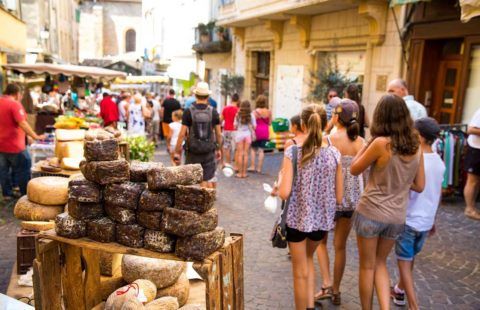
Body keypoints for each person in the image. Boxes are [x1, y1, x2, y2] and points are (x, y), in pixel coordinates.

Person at [350, 94, 425, 310]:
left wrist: (368, 145)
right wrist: (400, 179)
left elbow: (355, 169)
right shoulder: (415, 146)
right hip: (396, 216)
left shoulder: (381, 143)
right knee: (381, 263)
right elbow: (419, 185)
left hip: (371, 212)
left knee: (367, 266)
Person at [276, 104, 343, 310]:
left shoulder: (293, 152)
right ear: (325, 124)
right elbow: (339, 197)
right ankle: (309, 306)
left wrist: (280, 179)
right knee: (308, 259)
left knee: (299, 272)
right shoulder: (334, 154)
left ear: (303, 124)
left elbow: (284, 192)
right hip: (321, 223)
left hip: (297, 220)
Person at [314, 99, 366, 305]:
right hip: (352, 201)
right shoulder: (363, 142)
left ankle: (326, 283)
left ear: (336, 117)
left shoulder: (327, 140)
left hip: (330, 199)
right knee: (341, 247)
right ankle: (336, 290)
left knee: (321, 243)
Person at [391, 117, 445, 309]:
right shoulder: (439, 162)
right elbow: (437, 195)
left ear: (420, 137)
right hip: (425, 222)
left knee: (404, 264)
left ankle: (414, 305)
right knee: (410, 259)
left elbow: (408, 188)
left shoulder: (415, 161)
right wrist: (434, 220)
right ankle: (399, 290)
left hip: (409, 220)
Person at [173, 82, 222, 188]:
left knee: (191, 178)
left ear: (195, 95)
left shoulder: (188, 111)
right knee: (206, 178)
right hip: (208, 151)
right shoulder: (213, 112)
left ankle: (192, 200)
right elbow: (218, 133)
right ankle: (203, 201)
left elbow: (182, 134)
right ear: (208, 96)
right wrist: (219, 149)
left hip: (192, 151)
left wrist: (177, 152)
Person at [0, 84, 44, 200]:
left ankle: (7, 194)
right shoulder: (14, 104)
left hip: (1, 144)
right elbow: (22, 123)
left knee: (3, 170)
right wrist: (35, 136)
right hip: (15, 145)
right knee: (24, 168)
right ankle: (25, 194)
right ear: (17, 93)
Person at [464, 107, 480, 220]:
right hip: (476, 149)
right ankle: (469, 208)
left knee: (477, 180)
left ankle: (472, 206)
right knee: (472, 180)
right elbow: (470, 129)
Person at [249, 95, 271, 174]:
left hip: (256, 131)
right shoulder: (269, 111)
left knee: (253, 149)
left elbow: (252, 123)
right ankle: (259, 168)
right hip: (265, 132)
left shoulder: (254, 112)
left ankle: (252, 166)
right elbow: (269, 122)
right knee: (262, 150)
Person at [234, 100, 256, 178]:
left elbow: (235, 126)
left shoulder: (237, 115)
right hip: (247, 135)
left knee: (240, 154)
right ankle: (244, 173)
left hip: (240, 134)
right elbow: (254, 126)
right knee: (246, 154)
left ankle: (240, 173)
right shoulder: (251, 115)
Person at [221, 93, 240, 168]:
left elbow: (221, 119)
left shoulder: (225, 108)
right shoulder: (238, 110)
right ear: (238, 100)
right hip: (236, 130)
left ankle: (228, 164)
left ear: (231, 99)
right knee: (236, 148)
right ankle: (235, 166)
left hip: (226, 129)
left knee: (226, 147)